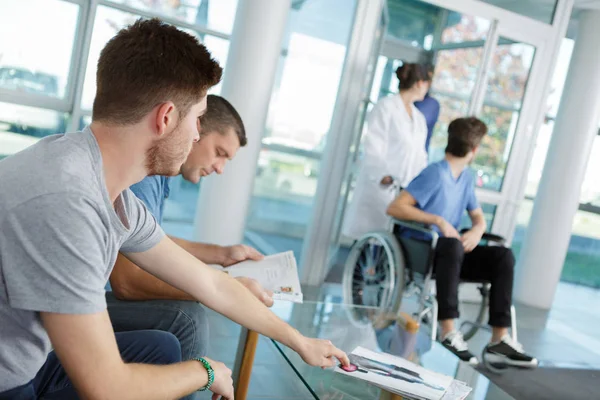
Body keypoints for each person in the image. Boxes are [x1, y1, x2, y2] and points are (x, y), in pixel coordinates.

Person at [0, 18, 348, 400]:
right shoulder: (67, 202)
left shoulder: (106, 187)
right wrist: (204, 371)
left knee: (163, 350)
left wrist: (301, 341)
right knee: (177, 363)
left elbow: (211, 283)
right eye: (198, 118)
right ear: (165, 118)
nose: (198, 133)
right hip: (10, 383)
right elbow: (108, 388)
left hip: (33, 360)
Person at [106, 94, 272, 399]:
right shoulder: (144, 177)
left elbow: (149, 241)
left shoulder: (157, 179)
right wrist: (215, 287)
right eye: (219, 152)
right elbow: (126, 282)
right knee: (187, 317)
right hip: (85, 298)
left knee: (187, 315)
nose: (220, 168)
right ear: (195, 130)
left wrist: (221, 255)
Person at [386, 117, 537, 368]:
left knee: (503, 255)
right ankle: (448, 332)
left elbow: (478, 217)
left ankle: (499, 338)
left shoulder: (465, 178)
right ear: (475, 150)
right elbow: (395, 207)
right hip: (424, 252)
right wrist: (438, 220)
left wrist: (478, 230)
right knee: (452, 244)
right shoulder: (435, 173)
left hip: (450, 254)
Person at [342, 63, 431, 240]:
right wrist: (382, 175)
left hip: (404, 192)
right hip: (381, 187)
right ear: (420, 83)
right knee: (368, 243)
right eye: (427, 84)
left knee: (390, 248)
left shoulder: (419, 119)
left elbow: (420, 156)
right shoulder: (385, 107)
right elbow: (373, 147)